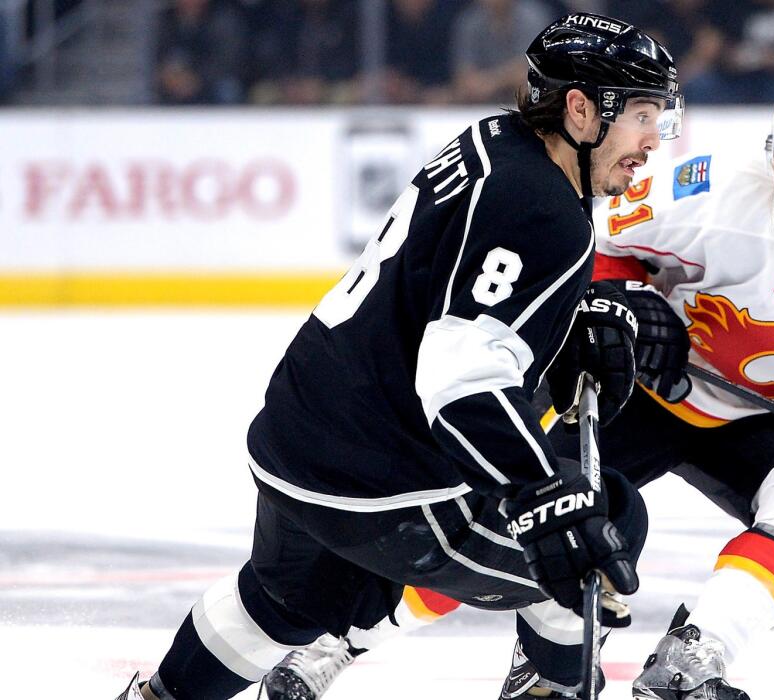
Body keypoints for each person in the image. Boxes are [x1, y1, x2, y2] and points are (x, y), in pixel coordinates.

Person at [262, 72, 774, 700]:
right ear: (772, 157)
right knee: (520, 512)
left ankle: (694, 657)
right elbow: (596, 248)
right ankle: (343, 641)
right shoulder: (705, 193)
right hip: (638, 387)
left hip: (764, 421)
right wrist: (629, 305)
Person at [114, 12, 683, 700]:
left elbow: (445, 291)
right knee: (603, 522)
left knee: (285, 602)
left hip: (298, 436)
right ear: (581, 108)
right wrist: (541, 497)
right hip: (385, 479)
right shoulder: (544, 208)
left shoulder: (494, 140)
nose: (655, 140)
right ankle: (545, 684)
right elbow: (461, 379)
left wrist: (561, 326)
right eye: (644, 115)